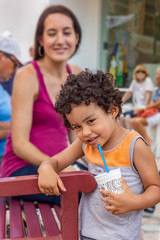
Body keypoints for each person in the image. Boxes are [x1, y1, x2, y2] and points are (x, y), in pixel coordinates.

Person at [38, 70, 160, 240]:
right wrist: (46, 168)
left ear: (112, 111)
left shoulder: (135, 146)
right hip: (86, 233)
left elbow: (156, 188)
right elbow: (55, 161)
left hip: (122, 236)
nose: (86, 132)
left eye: (90, 121)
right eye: (77, 127)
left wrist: (134, 202)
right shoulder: (85, 144)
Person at [1, 5, 85, 204]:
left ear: (76, 38)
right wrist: (59, 166)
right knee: (83, 195)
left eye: (66, 33)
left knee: (103, 185)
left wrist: (99, 164)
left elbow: (78, 134)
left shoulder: (77, 74)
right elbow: (20, 143)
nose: (60, 40)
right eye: (51, 33)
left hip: (59, 166)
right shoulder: (28, 76)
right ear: (41, 39)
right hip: (22, 168)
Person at [0, 33, 21, 165]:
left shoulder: (2, 88)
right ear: (1, 56)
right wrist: (22, 126)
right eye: (15, 63)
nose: (15, 70)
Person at [130, 67, 160, 147]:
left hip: (158, 114)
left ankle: (147, 142)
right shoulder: (158, 89)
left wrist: (144, 109)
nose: (155, 76)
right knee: (133, 121)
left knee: (136, 121)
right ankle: (141, 141)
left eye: (157, 74)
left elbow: (158, 104)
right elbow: (153, 103)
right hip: (155, 112)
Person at [120, 64, 154, 128]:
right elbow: (129, 92)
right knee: (121, 117)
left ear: (146, 73)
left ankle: (130, 136)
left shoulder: (147, 81)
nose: (140, 73)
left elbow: (148, 95)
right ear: (135, 73)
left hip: (143, 109)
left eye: (143, 71)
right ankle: (124, 135)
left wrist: (145, 109)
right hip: (137, 108)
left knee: (127, 118)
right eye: (138, 71)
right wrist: (121, 101)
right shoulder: (135, 82)